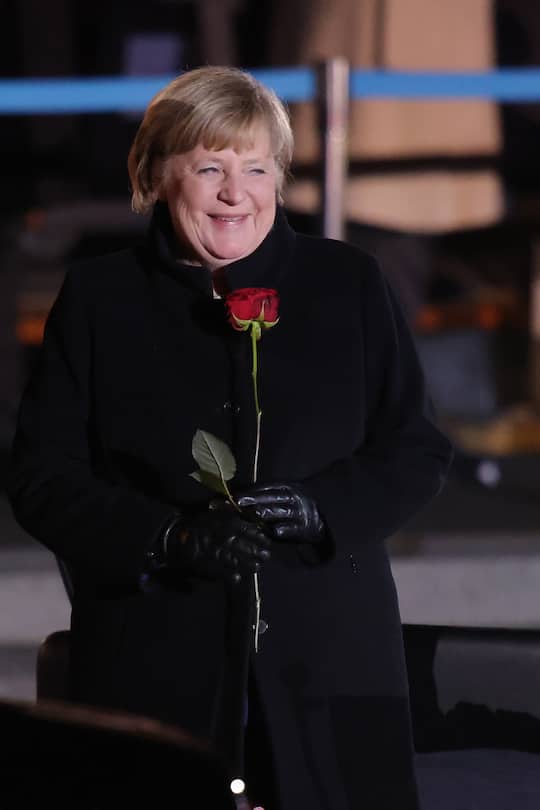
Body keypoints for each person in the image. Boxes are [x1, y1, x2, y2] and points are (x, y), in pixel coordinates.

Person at [7, 65, 453, 810]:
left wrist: (323, 509)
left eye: (256, 168)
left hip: (330, 657)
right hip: (153, 662)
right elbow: (42, 478)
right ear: (156, 175)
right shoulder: (98, 297)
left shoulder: (348, 283)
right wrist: (167, 538)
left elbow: (416, 447)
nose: (235, 193)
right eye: (210, 167)